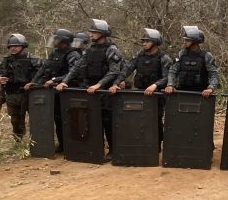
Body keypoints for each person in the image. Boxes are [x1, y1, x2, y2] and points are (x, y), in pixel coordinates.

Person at [56, 19, 123, 154]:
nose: (90, 34)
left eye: (94, 32)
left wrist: (99, 84)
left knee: (107, 121)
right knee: (92, 120)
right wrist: (65, 81)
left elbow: (114, 71)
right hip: (91, 90)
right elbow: (76, 67)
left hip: (105, 90)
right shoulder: (91, 49)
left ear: (102, 33)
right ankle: (96, 149)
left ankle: (113, 150)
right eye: (91, 32)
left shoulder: (111, 49)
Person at [112, 28, 172, 148]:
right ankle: (142, 143)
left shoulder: (164, 58)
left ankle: (157, 144)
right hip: (140, 92)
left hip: (156, 94)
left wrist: (155, 85)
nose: (144, 43)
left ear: (155, 42)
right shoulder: (139, 55)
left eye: (147, 41)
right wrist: (116, 82)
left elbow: (168, 77)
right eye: (143, 41)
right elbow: (127, 69)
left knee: (156, 120)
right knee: (139, 119)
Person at [29, 28, 80, 153]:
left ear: (64, 41)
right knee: (58, 119)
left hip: (68, 92)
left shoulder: (73, 54)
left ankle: (73, 145)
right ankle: (62, 145)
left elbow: (74, 73)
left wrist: (56, 79)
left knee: (70, 119)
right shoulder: (55, 53)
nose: (55, 41)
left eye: (57, 38)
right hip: (54, 93)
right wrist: (34, 82)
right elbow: (43, 68)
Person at [0, 33, 43, 143]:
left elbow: (43, 75)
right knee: (15, 120)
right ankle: (19, 142)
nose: (13, 48)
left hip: (30, 94)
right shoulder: (4, 61)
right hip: (12, 95)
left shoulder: (33, 59)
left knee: (36, 118)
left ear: (23, 46)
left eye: (16, 46)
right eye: (11, 46)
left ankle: (39, 143)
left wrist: (33, 83)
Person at [165, 26, 219, 98]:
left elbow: (213, 74)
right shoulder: (181, 54)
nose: (185, 42)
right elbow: (173, 71)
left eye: (188, 40)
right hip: (182, 91)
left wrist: (210, 88)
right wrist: (170, 85)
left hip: (201, 94)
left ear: (195, 41)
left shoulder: (206, 56)